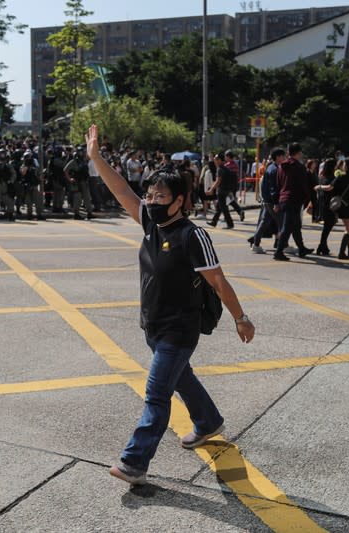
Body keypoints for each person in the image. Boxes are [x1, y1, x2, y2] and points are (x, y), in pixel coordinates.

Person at [85, 124, 255, 486]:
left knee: (157, 394)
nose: (151, 202)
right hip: (153, 324)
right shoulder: (151, 224)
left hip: (180, 328)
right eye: (150, 196)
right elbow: (121, 189)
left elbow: (219, 280)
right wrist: (97, 158)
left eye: (160, 197)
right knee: (183, 378)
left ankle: (134, 462)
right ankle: (209, 422)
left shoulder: (193, 236)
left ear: (180, 201)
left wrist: (241, 318)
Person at [316, 157, 349, 260]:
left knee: (348, 227)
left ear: (347, 166)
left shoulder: (341, 176)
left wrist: (319, 187)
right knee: (348, 229)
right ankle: (342, 253)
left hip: (342, 205)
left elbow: (330, 188)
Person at [273, 142, 313, 261]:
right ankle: (279, 252)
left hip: (283, 198)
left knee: (295, 226)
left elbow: (278, 184)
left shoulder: (281, 166)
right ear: (299, 153)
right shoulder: (299, 167)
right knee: (287, 227)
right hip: (294, 199)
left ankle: (301, 248)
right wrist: (307, 199)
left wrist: (277, 200)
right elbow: (303, 185)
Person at [249, 147, 284, 254]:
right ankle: (283, 245)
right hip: (271, 201)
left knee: (264, 222)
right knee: (282, 223)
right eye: (283, 156)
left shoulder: (271, 167)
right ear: (278, 157)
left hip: (267, 200)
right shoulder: (274, 169)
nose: (284, 158)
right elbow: (273, 188)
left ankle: (256, 243)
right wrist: (276, 203)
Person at [313, 158, 337, 255]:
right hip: (330, 204)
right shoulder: (333, 177)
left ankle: (324, 247)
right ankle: (321, 246)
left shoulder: (322, 176)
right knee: (329, 225)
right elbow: (330, 187)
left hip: (323, 203)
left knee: (327, 225)